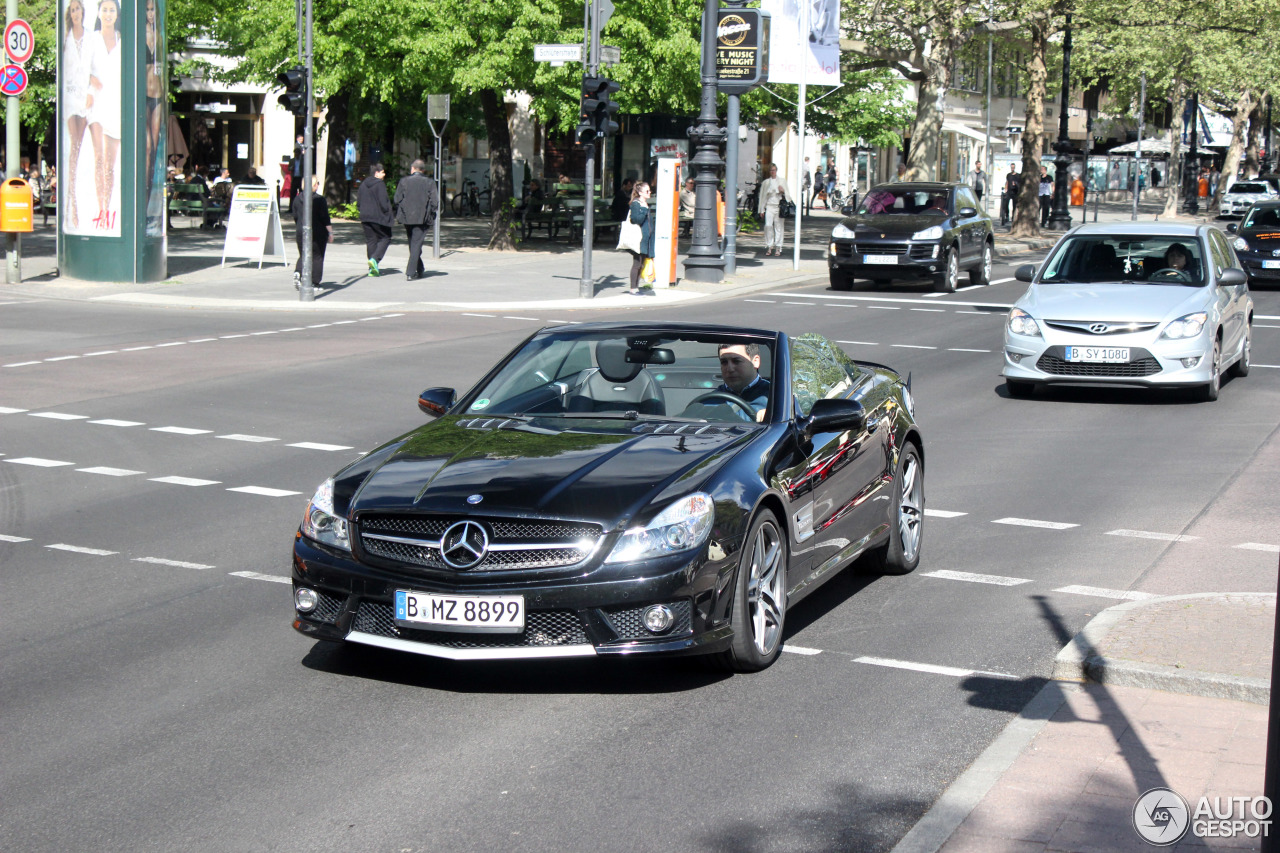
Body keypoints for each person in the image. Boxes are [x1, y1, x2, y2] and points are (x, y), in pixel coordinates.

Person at [86, 0, 122, 231]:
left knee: (110, 161)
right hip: (95, 102)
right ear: (98, 12)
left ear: (117, 14)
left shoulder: (123, 40)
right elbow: (80, 66)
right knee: (99, 157)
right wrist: (91, 80)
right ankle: (101, 209)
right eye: (104, 9)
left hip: (116, 104)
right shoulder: (92, 38)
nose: (108, 14)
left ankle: (108, 209)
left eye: (112, 10)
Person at [62, 0, 91, 229]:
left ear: (82, 11)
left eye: (78, 8)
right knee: (76, 148)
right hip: (72, 99)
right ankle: (72, 205)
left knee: (85, 151)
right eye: (72, 9)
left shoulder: (90, 38)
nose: (75, 13)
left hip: (88, 99)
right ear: (69, 14)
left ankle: (79, 203)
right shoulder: (65, 40)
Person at [393, 158, 439, 281]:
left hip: (407, 217)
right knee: (416, 244)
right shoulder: (429, 182)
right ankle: (411, 272)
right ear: (423, 170)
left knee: (413, 244)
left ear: (412, 169)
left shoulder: (404, 181)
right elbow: (435, 201)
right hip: (423, 217)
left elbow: (397, 199)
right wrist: (432, 212)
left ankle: (419, 267)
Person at [292, 176, 332, 290]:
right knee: (317, 256)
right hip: (317, 232)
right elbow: (325, 218)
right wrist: (330, 233)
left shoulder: (297, 199)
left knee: (304, 254)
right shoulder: (319, 199)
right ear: (314, 185)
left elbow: (295, 216)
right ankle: (315, 282)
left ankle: (298, 272)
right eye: (317, 183)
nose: (318, 185)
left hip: (301, 230)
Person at [715, 342, 770, 422]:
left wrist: (773, 416)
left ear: (755, 361)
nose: (730, 369)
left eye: (736, 361)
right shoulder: (709, 401)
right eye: (724, 362)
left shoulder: (777, 398)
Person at [358, 162, 394, 277]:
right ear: (377, 173)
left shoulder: (363, 184)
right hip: (378, 217)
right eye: (382, 172)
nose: (384, 175)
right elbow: (384, 202)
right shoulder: (379, 184)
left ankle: (372, 268)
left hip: (365, 217)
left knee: (371, 240)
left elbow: (358, 202)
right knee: (386, 237)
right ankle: (375, 259)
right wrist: (388, 213)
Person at [625, 181, 655, 296]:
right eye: (647, 191)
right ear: (640, 192)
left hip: (645, 238)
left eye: (649, 190)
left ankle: (636, 287)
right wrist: (643, 208)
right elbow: (636, 219)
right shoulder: (636, 204)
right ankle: (633, 288)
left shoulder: (645, 204)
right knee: (637, 263)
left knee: (642, 264)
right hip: (639, 238)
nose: (649, 192)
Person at [757, 163, 792, 256]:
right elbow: (762, 197)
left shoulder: (782, 181)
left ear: (776, 171)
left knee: (779, 227)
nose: (773, 172)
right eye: (771, 170)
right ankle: (769, 245)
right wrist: (761, 209)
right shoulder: (766, 183)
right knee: (768, 225)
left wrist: (783, 191)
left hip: (779, 206)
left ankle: (778, 246)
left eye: (774, 170)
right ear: (769, 171)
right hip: (769, 206)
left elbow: (788, 196)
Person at [288, 134, 304, 210]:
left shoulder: (302, 160)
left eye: (298, 153)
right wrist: (291, 168)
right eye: (295, 154)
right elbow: (289, 168)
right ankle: (291, 208)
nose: (296, 155)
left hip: (300, 178)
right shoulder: (292, 160)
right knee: (292, 193)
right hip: (294, 177)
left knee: (301, 193)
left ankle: (301, 207)